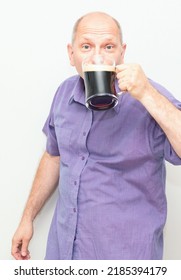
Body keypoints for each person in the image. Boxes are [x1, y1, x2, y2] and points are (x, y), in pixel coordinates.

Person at [11, 11, 181, 260]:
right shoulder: (63, 94)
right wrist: (27, 218)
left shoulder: (149, 96)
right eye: (86, 46)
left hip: (126, 258)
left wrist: (146, 93)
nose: (98, 56)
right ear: (72, 54)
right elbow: (54, 156)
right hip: (64, 254)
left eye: (108, 46)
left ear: (122, 53)